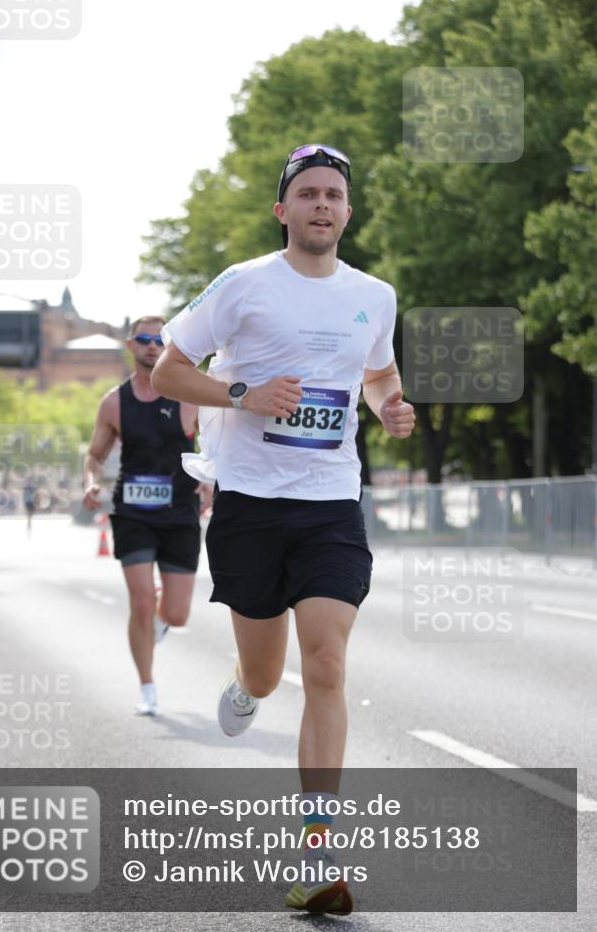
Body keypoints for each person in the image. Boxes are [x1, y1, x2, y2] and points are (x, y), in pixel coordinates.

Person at [152, 144, 415, 915]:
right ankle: (245, 684)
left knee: (327, 666)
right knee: (268, 675)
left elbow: (376, 375)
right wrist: (243, 391)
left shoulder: (373, 294)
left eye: (334, 194)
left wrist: (390, 406)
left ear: (347, 210)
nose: (322, 206)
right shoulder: (242, 285)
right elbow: (170, 371)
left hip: (330, 503)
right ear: (283, 210)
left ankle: (316, 848)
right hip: (249, 503)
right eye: (307, 194)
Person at [83, 315, 212, 716]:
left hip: (180, 512)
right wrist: (90, 481)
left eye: (161, 340)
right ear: (131, 345)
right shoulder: (113, 402)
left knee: (176, 613)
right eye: (144, 339)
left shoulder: (190, 395)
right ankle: (147, 686)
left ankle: (159, 623)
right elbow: (95, 455)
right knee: (140, 602)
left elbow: (218, 446)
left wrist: (210, 478)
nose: (153, 346)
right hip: (133, 511)